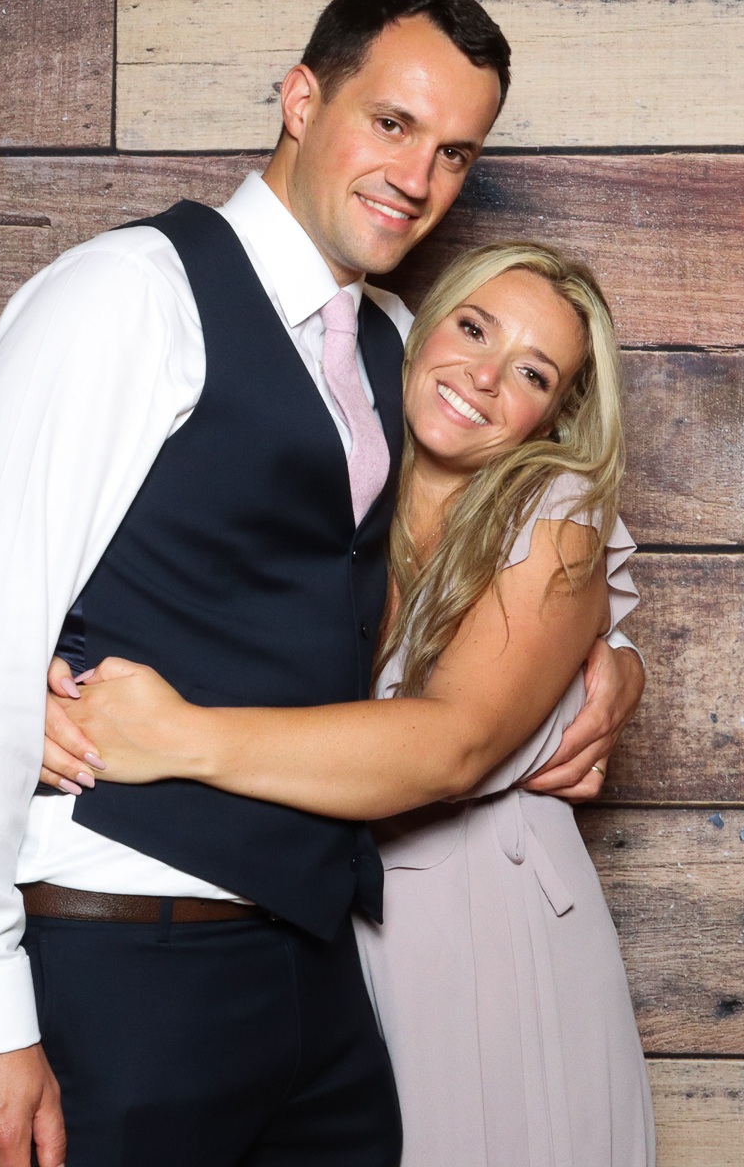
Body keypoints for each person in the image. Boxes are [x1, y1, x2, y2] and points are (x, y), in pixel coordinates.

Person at [0, 0, 647, 1167]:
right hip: (124, 951)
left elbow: (535, 516)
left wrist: (611, 661)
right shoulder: (127, 295)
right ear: (301, 99)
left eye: (454, 153)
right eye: (391, 123)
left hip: (323, 982)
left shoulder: (403, 345)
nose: (417, 176)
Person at [41, 240, 655, 1166]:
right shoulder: (338, 465)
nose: (484, 378)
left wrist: (176, 737)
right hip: (329, 932)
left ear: (556, 414)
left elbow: (453, 745)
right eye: (473, 329)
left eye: (532, 373)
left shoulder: (554, 511)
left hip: (491, 931)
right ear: (421, 327)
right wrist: (32, 684)